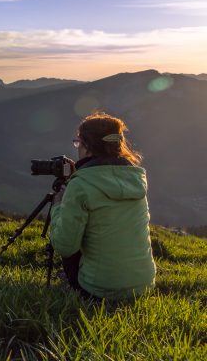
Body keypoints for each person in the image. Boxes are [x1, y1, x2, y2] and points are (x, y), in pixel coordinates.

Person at [50, 111, 156, 300]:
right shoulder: (136, 178)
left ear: (87, 146)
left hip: (99, 290)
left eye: (78, 143)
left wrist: (58, 205)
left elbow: (65, 246)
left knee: (71, 237)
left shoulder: (81, 184)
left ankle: (77, 285)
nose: (77, 148)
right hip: (144, 285)